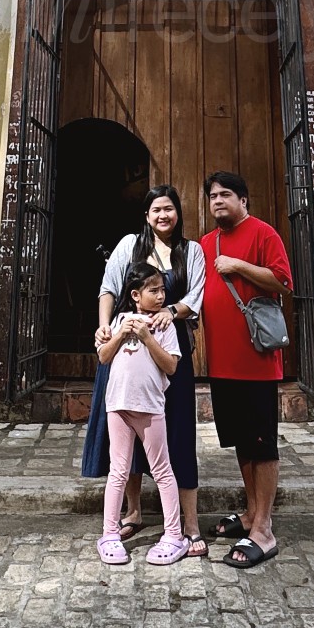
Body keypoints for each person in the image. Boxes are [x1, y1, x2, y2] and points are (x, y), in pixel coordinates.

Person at [79, 185, 208, 556]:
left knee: (179, 432)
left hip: (169, 349)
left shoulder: (191, 251)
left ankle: (190, 522)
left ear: (177, 213)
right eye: (156, 210)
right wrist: (105, 327)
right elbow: (108, 288)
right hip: (126, 349)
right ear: (147, 215)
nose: (163, 215)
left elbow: (195, 295)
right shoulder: (129, 246)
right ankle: (133, 512)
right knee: (127, 436)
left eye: (169, 208)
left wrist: (172, 311)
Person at [199, 169, 292, 569]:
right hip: (222, 363)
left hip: (256, 363)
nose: (218, 201)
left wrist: (238, 265)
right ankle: (252, 513)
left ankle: (265, 531)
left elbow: (283, 282)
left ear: (243, 200)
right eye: (212, 196)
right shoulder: (206, 243)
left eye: (225, 195)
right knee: (241, 442)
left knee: (262, 444)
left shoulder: (263, 234)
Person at [93, 262, 189, 566]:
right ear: (136, 295)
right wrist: (120, 333)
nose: (160, 296)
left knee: (162, 470)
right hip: (118, 406)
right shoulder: (119, 320)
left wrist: (148, 337)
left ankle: (174, 535)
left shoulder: (164, 325)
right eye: (153, 290)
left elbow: (171, 366)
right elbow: (104, 357)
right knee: (118, 471)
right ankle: (110, 533)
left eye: (162, 290)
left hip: (149, 408)